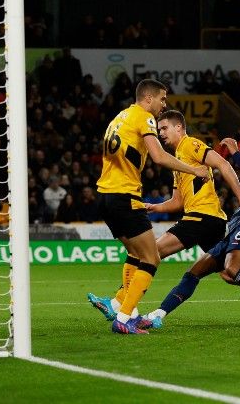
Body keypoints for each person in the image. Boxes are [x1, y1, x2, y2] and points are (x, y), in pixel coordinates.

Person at [88, 112, 240, 328]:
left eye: (164, 128)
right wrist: (155, 207)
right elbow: (177, 202)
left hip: (203, 218)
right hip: (209, 221)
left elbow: (223, 164)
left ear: (179, 127)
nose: (160, 133)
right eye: (158, 130)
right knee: (228, 271)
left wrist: (239, 195)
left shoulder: (190, 144)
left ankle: (120, 304)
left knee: (151, 253)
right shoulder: (178, 159)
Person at [141, 128, 240, 329]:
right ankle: (158, 314)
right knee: (197, 272)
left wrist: (236, 153)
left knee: (232, 269)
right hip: (238, 229)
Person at [95, 79, 210, 334]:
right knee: (152, 257)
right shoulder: (144, 117)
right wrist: (193, 169)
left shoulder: (119, 117)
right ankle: (123, 318)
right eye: (162, 99)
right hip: (124, 196)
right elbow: (158, 157)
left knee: (138, 255)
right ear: (148, 99)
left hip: (105, 196)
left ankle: (125, 310)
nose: (164, 104)